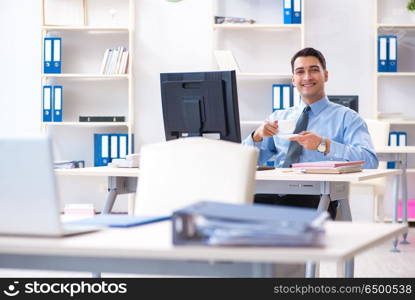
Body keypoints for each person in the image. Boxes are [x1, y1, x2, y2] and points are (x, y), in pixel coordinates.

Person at [242, 47, 379, 219]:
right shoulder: (278, 117)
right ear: (293, 79)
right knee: (231, 213)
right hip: (272, 192)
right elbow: (244, 163)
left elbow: (370, 161)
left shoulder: (347, 118)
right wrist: (256, 137)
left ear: (326, 75)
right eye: (300, 72)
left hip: (316, 197)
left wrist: (324, 145)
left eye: (314, 70)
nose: (307, 77)